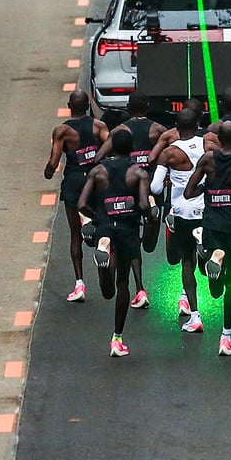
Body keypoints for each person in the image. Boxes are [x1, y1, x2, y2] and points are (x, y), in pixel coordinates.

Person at [184, 121, 231, 356]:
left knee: (215, 288)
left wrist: (208, 190)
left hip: (213, 224)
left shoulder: (208, 159)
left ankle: (214, 257)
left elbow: (189, 192)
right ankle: (225, 337)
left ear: (219, 138)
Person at [77, 129, 152, 357]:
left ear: (112, 147)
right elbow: (143, 204)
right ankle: (117, 338)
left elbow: (81, 204)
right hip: (128, 228)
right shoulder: (138, 173)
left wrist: (98, 216)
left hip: (105, 227)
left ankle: (103, 264)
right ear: (131, 149)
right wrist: (149, 217)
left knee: (106, 291)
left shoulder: (98, 171)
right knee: (123, 285)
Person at [95, 92, 167, 309]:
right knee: (141, 238)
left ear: (127, 107)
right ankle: (141, 287)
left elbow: (98, 157)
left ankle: (137, 287)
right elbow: (168, 153)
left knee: (128, 238)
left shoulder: (119, 132)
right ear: (148, 106)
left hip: (124, 186)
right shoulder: (158, 130)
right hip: (148, 185)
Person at [44, 90, 109, 302]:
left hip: (73, 181)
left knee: (74, 233)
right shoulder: (98, 126)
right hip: (95, 180)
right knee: (104, 228)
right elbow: (111, 147)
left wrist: (47, 171)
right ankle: (105, 272)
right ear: (87, 106)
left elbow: (54, 163)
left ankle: (79, 284)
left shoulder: (62, 131)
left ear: (69, 105)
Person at [150, 108, 207, 332]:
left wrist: (169, 181)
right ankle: (211, 256)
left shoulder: (170, 153)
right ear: (198, 124)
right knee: (209, 261)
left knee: (186, 261)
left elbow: (155, 187)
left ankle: (195, 315)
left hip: (182, 210)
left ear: (176, 126)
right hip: (206, 209)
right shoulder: (209, 145)